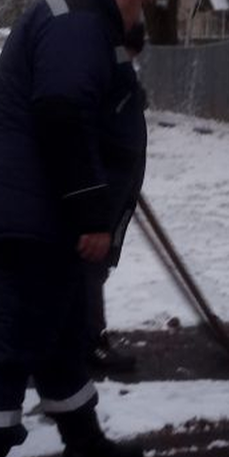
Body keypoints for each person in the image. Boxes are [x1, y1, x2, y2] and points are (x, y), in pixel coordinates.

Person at [0, 0, 157, 457]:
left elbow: (93, 113)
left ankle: (85, 447)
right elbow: (64, 114)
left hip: (49, 212)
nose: (140, 16)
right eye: (141, 2)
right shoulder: (78, 22)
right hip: (40, 217)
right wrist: (93, 212)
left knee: (64, 337)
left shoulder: (82, 20)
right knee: (14, 342)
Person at [85, 21, 147, 374]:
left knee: (92, 267)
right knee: (93, 264)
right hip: (107, 190)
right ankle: (89, 342)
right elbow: (109, 136)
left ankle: (79, 337)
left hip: (113, 186)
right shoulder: (115, 73)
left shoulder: (108, 68)